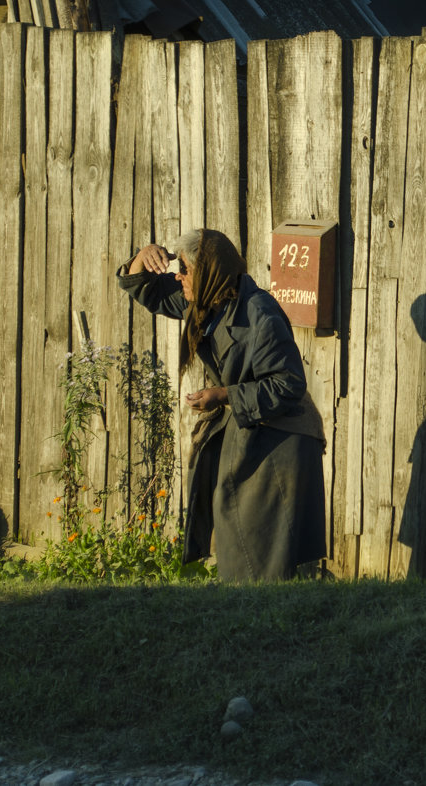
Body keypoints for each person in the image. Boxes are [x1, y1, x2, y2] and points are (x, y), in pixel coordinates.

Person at [116, 228, 326, 582]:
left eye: (184, 269)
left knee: (258, 534)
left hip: (282, 436)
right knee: (234, 521)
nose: (177, 276)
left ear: (209, 271)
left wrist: (225, 395)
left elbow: (288, 384)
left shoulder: (258, 312)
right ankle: (249, 604)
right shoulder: (203, 301)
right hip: (253, 428)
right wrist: (143, 256)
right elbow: (148, 291)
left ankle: (267, 611)